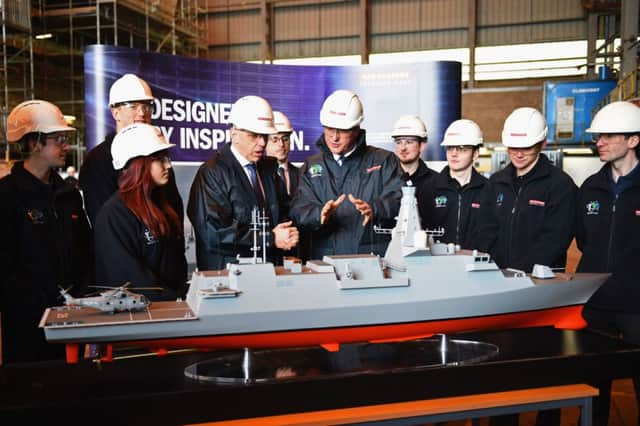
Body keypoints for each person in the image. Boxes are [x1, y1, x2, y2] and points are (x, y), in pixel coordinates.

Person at [0, 100, 92, 363]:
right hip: (28, 325)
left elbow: (85, 250)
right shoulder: (7, 197)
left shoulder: (69, 195)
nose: (66, 145)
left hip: (74, 317)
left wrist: (81, 297)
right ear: (33, 143)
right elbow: (5, 269)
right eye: (58, 139)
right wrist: (41, 301)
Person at [576, 101, 640, 426]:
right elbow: (586, 241)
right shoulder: (591, 188)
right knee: (594, 382)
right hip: (597, 302)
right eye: (598, 136)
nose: (599, 141)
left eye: (608, 136)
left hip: (636, 306)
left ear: (633, 140)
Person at [187, 95, 299, 270]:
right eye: (254, 136)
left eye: (264, 135)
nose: (262, 143)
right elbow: (214, 233)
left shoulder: (269, 168)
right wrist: (269, 238)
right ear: (234, 134)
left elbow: (284, 212)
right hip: (227, 278)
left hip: (267, 271)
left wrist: (290, 231)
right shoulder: (212, 173)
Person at [289, 89, 403, 259]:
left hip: (370, 261)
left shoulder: (385, 161)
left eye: (342, 130)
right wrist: (318, 213)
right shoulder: (311, 165)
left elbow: (401, 201)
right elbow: (297, 210)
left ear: (356, 129)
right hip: (323, 263)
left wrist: (376, 209)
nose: (334, 137)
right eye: (329, 129)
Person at [475, 107, 577, 272]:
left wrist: (524, 271)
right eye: (513, 147)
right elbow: (484, 229)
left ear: (542, 144)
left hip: (541, 280)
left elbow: (555, 238)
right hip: (498, 275)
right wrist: (496, 267)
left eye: (527, 147)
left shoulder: (560, 185)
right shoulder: (496, 183)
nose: (519, 154)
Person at [93, 123, 187, 300]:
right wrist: (172, 299)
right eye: (160, 159)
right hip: (140, 318)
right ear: (138, 164)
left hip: (170, 310)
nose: (168, 165)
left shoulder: (161, 203)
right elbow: (129, 279)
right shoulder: (114, 216)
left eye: (167, 157)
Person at [79, 73, 183, 226]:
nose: (142, 113)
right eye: (133, 106)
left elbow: (174, 208)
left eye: (146, 106)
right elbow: (104, 221)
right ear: (115, 112)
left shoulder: (158, 154)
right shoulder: (98, 161)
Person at [425, 119, 487, 248]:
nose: (454, 154)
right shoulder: (429, 188)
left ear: (475, 153)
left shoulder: (488, 189)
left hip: (476, 262)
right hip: (436, 262)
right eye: (450, 148)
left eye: (462, 149)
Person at [391, 115, 438, 226]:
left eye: (409, 142)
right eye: (398, 142)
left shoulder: (437, 181)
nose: (403, 148)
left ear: (421, 146)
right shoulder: (384, 179)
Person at [266, 111, 300, 196]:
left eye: (285, 139)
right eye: (275, 139)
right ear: (265, 142)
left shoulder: (301, 174)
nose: (281, 144)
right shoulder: (257, 175)